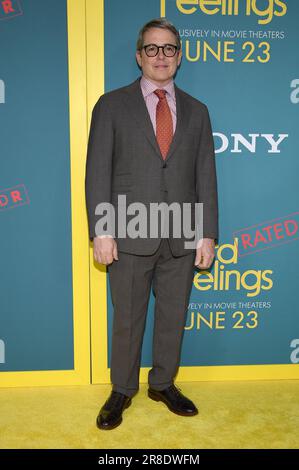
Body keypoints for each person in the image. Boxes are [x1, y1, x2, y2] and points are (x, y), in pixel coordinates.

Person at [85, 18, 218, 430]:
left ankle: (163, 383)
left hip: (181, 234)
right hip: (127, 234)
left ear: (179, 57)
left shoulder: (197, 111)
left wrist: (207, 233)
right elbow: (97, 172)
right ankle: (122, 390)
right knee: (127, 318)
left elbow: (205, 177)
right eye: (153, 48)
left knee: (173, 315)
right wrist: (102, 230)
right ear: (139, 55)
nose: (162, 56)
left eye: (170, 48)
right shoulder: (111, 104)